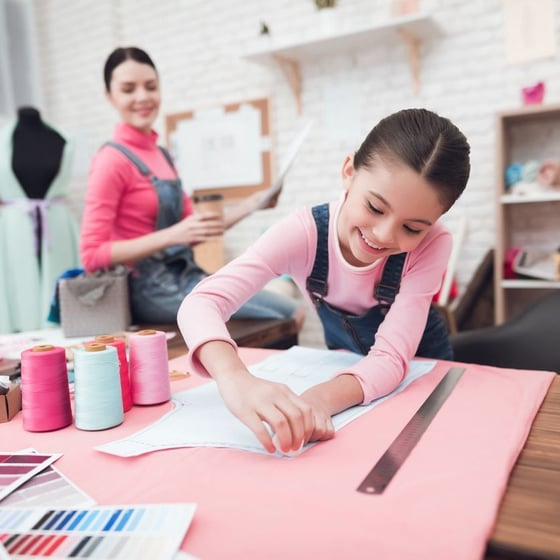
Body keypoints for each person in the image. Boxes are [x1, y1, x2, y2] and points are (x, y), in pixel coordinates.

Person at [178, 108, 471, 455]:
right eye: (375, 207)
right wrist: (236, 379)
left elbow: (392, 358)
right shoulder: (303, 234)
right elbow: (202, 302)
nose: (382, 235)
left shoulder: (434, 244)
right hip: (350, 376)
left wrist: (318, 399)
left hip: (419, 374)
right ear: (348, 172)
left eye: (412, 228)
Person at [80, 47, 301, 324]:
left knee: (289, 308)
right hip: (147, 291)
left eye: (151, 86)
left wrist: (252, 205)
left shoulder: (162, 155)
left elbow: (195, 229)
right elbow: (92, 255)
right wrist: (172, 235)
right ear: (109, 96)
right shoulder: (110, 160)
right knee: (284, 314)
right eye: (128, 89)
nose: (142, 97)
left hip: (184, 276)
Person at [0, 106, 80, 333]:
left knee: (62, 295)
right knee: (17, 292)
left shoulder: (62, 140)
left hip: (58, 224)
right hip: (14, 229)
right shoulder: (3, 141)